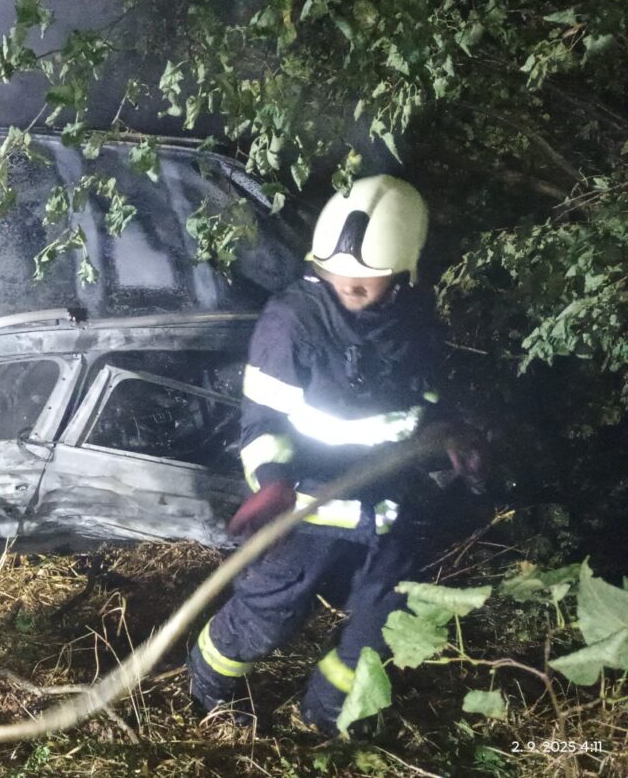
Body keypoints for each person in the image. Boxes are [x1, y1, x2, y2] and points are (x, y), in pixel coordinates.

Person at [186, 175, 486, 735]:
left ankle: (327, 717)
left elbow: (423, 403)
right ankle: (208, 691)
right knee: (266, 618)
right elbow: (262, 420)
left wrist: (449, 435)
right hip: (307, 509)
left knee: (379, 629)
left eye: (366, 278)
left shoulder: (416, 323)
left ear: (404, 272)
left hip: (388, 510)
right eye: (335, 273)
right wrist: (272, 479)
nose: (348, 282)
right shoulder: (292, 322)